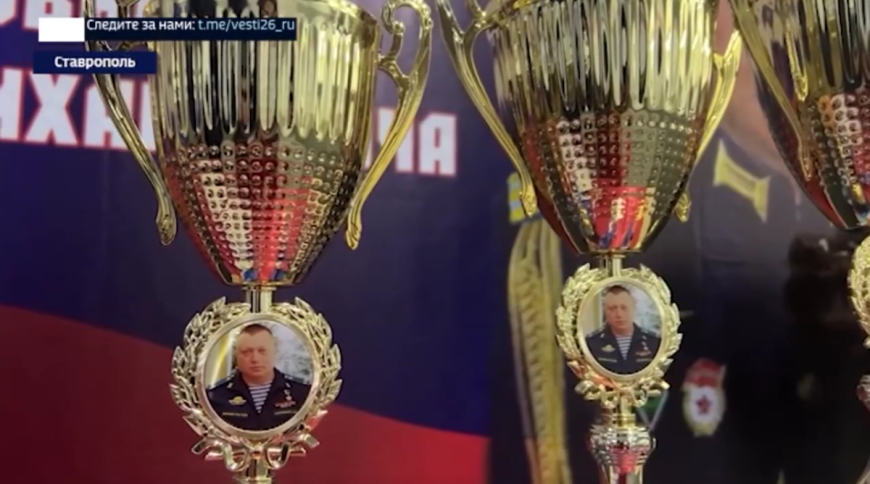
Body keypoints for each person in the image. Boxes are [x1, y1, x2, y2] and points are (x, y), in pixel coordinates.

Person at [207, 323, 311, 432]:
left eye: (262, 351)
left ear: (275, 352)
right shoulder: (215, 397)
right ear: (236, 355)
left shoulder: (302, 393)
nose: (255, 359)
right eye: (246, 352)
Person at [585, 285, 661, 375]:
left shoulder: (654, 343)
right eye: (613, 308)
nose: (619, 314)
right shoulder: (591, 344)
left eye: (624, 308)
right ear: (605, 311)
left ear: (633, 309)